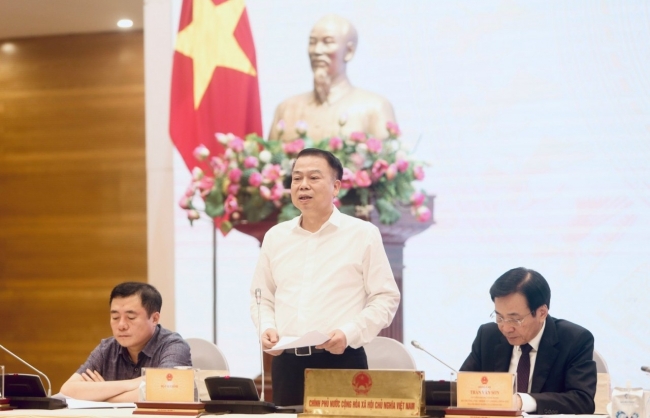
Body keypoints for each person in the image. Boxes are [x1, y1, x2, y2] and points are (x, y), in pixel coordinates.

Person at [250, 148, 400, 406]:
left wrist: (349, 333)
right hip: (287, 364)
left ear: (336, 187)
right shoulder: (276, 237)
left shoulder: (362, 234)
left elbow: (385, 297)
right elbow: (261, 297)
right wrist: (266, 328)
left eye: (313, 177)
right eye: (297, 178)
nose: (303, 185)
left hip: (341, 360)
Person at [460, 268, 596, 415]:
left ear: (541, 313)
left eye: (515, 319)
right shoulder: (488, 336)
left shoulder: (575, 340)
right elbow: (461, 390)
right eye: (499, 317)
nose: (506, 328)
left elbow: (582, 401)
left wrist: (522, 401)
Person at [268, 14, 397, 141]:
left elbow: (386, 153)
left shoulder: (375, 108)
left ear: (349, 51)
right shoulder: (286, 109)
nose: (317, 50)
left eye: (327, 42)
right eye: (312, 42)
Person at [60, 282, 191, 402]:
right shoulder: (106, 349)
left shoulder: (174, 346)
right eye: (115, 317)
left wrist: (101, 394)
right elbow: (67, 390)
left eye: (131, 317)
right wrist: (134, 383)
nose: (121, 325)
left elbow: (165, 391)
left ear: (154, 319)